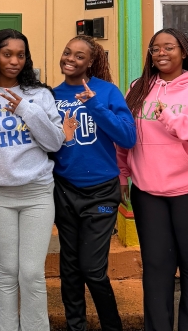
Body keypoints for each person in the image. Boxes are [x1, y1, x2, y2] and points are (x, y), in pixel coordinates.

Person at [118, 28, 188, 331]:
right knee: (156, 269)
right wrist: (122, 174)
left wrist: (177, 121)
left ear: (184, 52)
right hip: (148, 192)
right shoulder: (138, 89)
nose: (161, 53)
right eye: (155, 49)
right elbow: (125, 135)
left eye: (169, 47)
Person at [0, 29, 65, 331]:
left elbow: (54, 143)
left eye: (20, 55)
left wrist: (25, 108)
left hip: (37, 194)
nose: (14, 60)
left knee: (32, 273)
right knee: (8, 271)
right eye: (7, 53)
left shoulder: (40, 95)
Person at [51, 36, 136, 331]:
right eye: (67, 52)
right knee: (70, 269)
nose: (70, 59)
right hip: (63, 189)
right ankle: (77, 326)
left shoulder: (107, 91)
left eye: (79, 55)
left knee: (92, 269)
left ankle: (112, 326)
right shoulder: (52, 94)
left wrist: (96, 105)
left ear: (90, 62)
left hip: (100, 191)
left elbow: (127, 137)